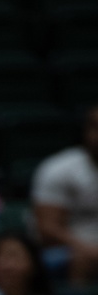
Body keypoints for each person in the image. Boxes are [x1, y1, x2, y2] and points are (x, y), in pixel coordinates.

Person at [32, 104, 98, 284]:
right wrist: (88, 250)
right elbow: (47, 228)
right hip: (65, 251)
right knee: (82, 258)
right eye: (95, 127)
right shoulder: (59, 168)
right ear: (86, 130)